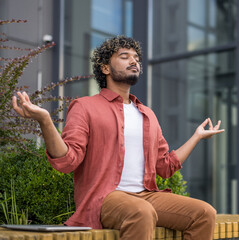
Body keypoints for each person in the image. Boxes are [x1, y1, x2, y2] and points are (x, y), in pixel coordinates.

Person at [12, 35, 224, 240]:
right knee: (141, 212)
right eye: (125, 56)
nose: (134, 61)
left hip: (146, 195)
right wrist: (46, 120)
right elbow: (67, 161)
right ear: (105, 68)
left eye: (136, 58)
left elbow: (165, 167)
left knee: (204, 213)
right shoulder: (84, 106)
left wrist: (196, 137)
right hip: (105, 198)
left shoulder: (147, 114)